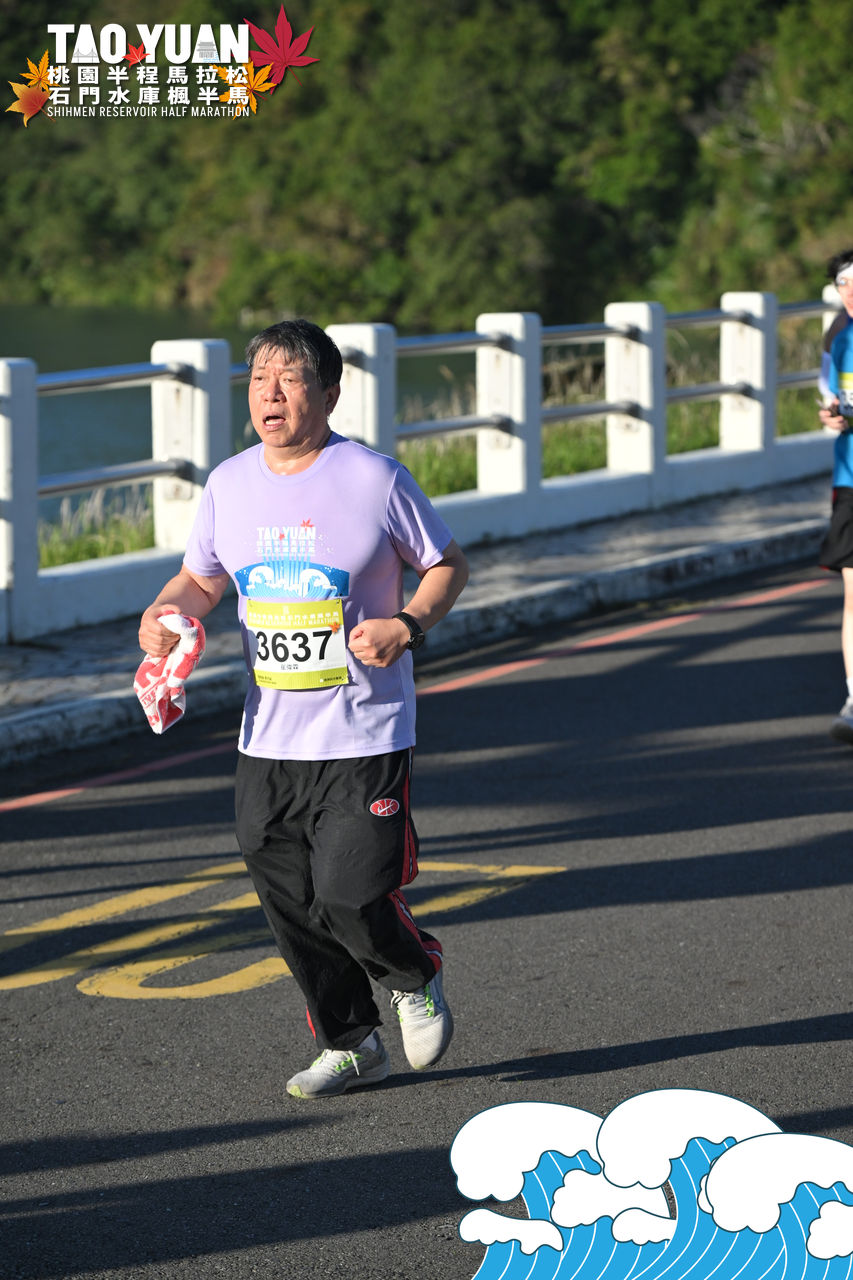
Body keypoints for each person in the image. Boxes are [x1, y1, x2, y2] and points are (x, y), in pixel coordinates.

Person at [138, 318, 469, 1098]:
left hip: (365, 730)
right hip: (268, 738)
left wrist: (406, 625)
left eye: (290, 379)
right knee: (289, 900)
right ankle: (350, 1043)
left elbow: (446, 564)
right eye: (259, 379)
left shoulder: (373, 479)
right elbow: (203, 579)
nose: (271, 394)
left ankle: (413, 974)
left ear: (329, 392)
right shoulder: (229, 484)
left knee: (350, 892)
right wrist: (163, 612)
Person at [818, 250, 853, 743]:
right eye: (842, 283)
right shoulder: (840, 338)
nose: (850, 291)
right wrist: (832, 416)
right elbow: (833, 401)